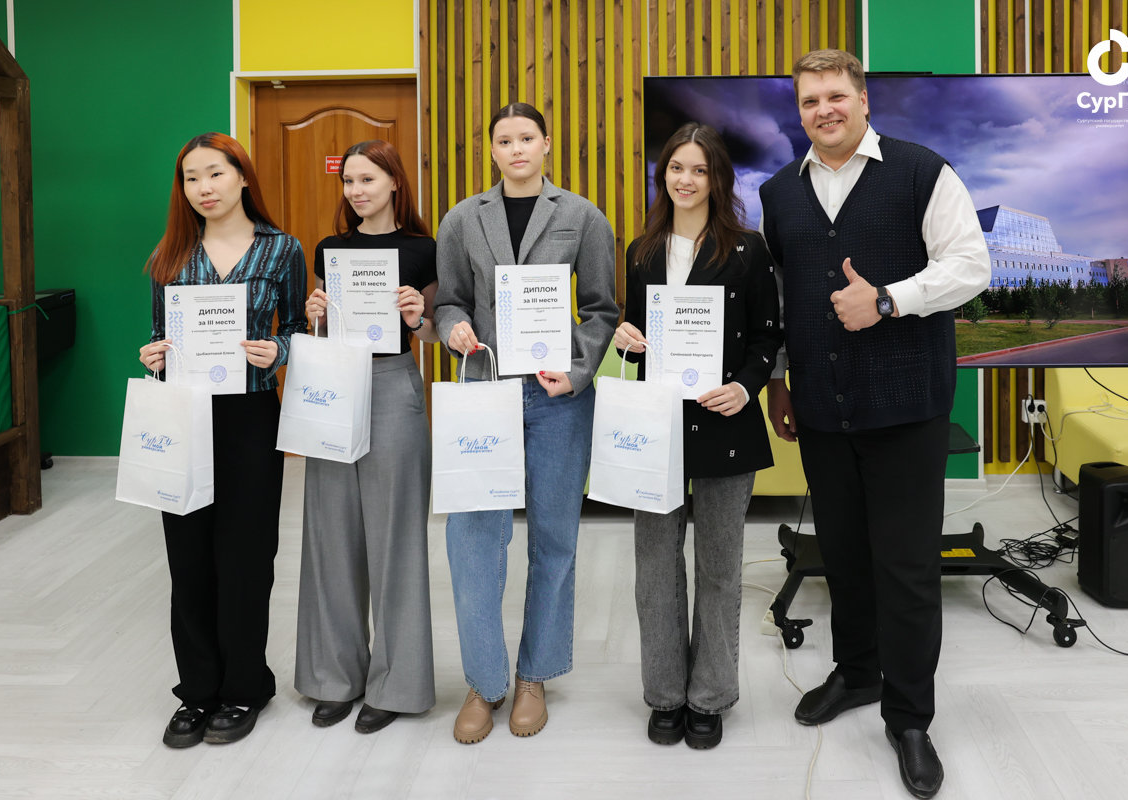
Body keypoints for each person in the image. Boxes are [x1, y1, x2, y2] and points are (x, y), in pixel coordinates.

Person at [758, 50, 990, 798]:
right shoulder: (777, 193)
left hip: (907, 406)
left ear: (863, 99)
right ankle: (857, 672)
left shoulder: (923, 172)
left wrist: (888, 300)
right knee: (845, 556)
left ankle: (911, 717)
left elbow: (971, 265)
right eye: (809, 101)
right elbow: (783, 297)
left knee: (907, 565)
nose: (823, 110)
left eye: (836, 95)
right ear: (799, 112)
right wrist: (778, 379)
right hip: (822, 407)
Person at [434, 102, 618, 744]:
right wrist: (453, 329)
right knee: (472, 539)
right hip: (484, 394)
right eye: (504, 140)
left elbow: (602, 309)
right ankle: (484, 681)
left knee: (554, 538)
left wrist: (578, 369)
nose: (516, 149)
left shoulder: (582, 216)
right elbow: (448, 299)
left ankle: (534, 674)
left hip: (556, 397)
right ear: (491, 150)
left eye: (526, 138)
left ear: (546, 144)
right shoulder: (463, 218)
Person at [613, 123, 780, 749]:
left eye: (699, 170)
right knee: (655, 566)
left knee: (719, 567)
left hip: (725, 422)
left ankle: (709, 696)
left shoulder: (748, 249)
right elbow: (633, 338)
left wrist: (745, 387)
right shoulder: (641, 252)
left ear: (717, 179)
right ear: (664, 177)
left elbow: (766, 336)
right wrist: (624, 340)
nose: (686, 180)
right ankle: (664, 694)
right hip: (655, 427)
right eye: (676, 168)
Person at [138, 132, 308, 747]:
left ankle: (244, 687)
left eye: (214, 173)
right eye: (191, 178)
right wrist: (152, 354)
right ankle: (197, 691)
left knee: (246, 557)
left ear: (241, 176)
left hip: (251, 417)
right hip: (184, 416)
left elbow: (297, 326)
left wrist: (278, 349)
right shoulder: (170, 255)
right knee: (187, 557)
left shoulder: (282, 249)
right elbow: (158, 334)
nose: (203, 188)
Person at [294, 139, 438, 734]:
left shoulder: (424, 250)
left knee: (396, 536)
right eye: (348, 181)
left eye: (368, 180)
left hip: (393, 385)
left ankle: (396, 684)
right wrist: (315, 314)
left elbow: (434, 331)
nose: (356, 191)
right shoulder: (330, 250)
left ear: (394, 182)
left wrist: (417, 316)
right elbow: (321, 329)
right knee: (330, 533)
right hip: (335, 382)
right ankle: (334, 677)